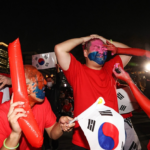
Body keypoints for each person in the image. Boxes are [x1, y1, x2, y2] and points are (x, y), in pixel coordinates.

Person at [54, 34, 131, 149]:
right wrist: (85, 39)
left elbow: (129, 52)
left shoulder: (110, 68)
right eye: (97, 48)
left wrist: (105, 41)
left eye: (103, 48)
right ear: (85, 53)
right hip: (83, 141)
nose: (101, 51)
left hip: (110, 140)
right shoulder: (77, 71)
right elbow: (59, 49)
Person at [0, 65, 75, 150]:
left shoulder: (43, 103)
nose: (45, 83)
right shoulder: (2, 113)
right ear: (26, 88)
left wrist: (61, 126)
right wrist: (15, 134)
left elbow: (52, 134)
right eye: (40, 80)